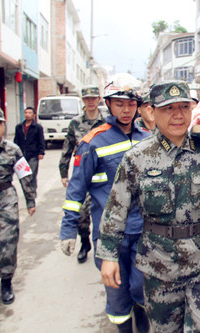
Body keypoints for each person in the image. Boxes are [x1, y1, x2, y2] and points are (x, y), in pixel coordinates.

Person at [96, 80, 200, 332]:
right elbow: (116, 209)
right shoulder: (137, 157)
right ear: (152, 112)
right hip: (158, 264)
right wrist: (108, 255)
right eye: (168, 108)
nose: (178, 115)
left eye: (184, 107)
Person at [59, 81, 150, 332]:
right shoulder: (92, 142)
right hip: (109, 235)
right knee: (117, 294)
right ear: (108, 104)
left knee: (141, 288)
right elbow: (75, 190)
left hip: (144, 231)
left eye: (132, 104)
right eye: (119, 103)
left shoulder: (148, 139)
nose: (126, 110)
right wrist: (68, 230)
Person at [59, 85, 106, 263]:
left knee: (104, 214)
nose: (91, 101)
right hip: (83, 177)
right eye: (87, 99)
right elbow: (67, 148)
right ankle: (85, 243)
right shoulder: (75, 123)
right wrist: (64, 172)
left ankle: (104, 249)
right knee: (81, 214)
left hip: (103, 176)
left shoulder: (107, 121)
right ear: (83, 101)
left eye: (94, 98)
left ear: (99, 98)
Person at [0, 107, 36, 304]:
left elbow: (25, 176)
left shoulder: (13, 150)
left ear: (4, 126)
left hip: (5, 199)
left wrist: (30, 200)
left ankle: (6, 281)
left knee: (7, 240)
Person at [14, 106, 45, 190]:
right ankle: (27, 191)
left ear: (34, 115)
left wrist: (41, 152)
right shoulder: (19, 127)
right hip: (22, 155)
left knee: (32, 174)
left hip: (33, 154)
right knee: (23, 175)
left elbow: (41, 140)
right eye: (26, 113)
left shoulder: (37, 127)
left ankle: (32, 191)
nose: (27, 115)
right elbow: (16, 140)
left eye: (29, 113)